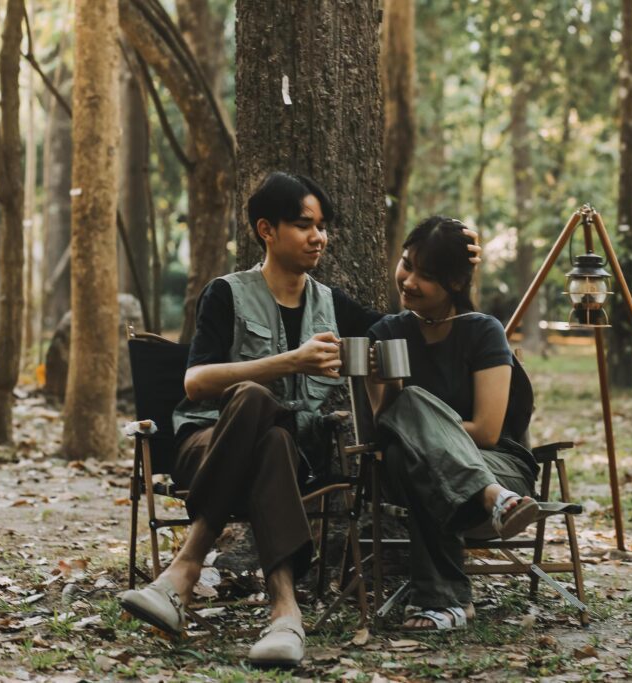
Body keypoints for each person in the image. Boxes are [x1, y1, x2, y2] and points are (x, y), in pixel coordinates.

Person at [119, 173, 479, 667]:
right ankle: (278, 610)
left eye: (322, 226)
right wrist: (290, 362)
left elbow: (411, 328)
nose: (319, 237)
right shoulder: (225, 294)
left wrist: (449, 265)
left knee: (274, 442)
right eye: (304, 225)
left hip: (293, 462)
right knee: (252, 399)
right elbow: (196, 382)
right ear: (266, 229)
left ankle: (196, 578)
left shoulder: (334, 306)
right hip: (207, 446)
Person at [367, 216, 539, 632]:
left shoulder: (483, 332)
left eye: (426, 275)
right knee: (404, 427)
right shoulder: (386, 333)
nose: (408, 280)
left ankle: (445, 604)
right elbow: (384, 421)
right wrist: (386, 384)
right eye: (407, 263)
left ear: (454, 285)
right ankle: (491, 499)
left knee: (413, 456)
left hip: (497, 464)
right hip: (474, 491)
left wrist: (425, 434)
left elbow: (487, 431)